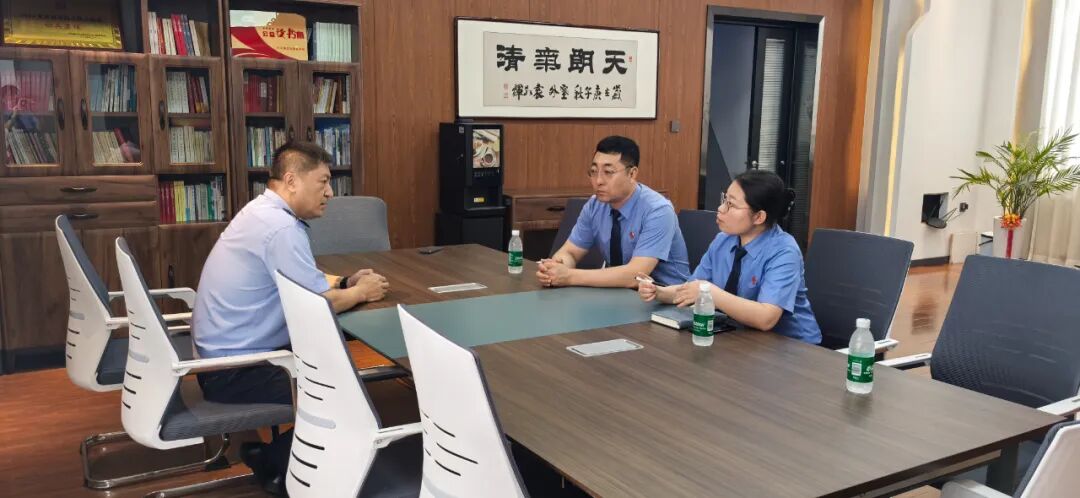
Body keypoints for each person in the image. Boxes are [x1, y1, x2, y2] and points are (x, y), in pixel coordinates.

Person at [192, 141, 390, 493]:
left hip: (221, 359)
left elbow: (300, 280)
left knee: (337, 373)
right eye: (323, 182)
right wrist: (361, 293)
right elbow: (314, 306)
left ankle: (272, 456)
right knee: (344, 398)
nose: (330, 192)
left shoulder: (263, 212)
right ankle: (279, 469)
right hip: (235, 371)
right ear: (292, 181)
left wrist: (345, 282)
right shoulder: (281, 229)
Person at [638, 170, 821, 344]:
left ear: (758, 217)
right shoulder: (723, 240)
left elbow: (766, 318)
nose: (720, 208)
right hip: (741, 339)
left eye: (731, 204)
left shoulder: (784, 251)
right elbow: (694, 288)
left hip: (791, 346)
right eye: (724, 199)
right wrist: (660, 292)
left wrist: (710, 292)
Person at [537, 135, 690, 288]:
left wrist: (569, 276)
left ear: (632, 174)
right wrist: (557, 267)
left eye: (608, 172)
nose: (598, 181)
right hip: (617, 292)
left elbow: (636, 275)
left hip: (665, 296)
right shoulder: (594, 206)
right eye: (594, 171)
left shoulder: (658, 210)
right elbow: (570, 252)